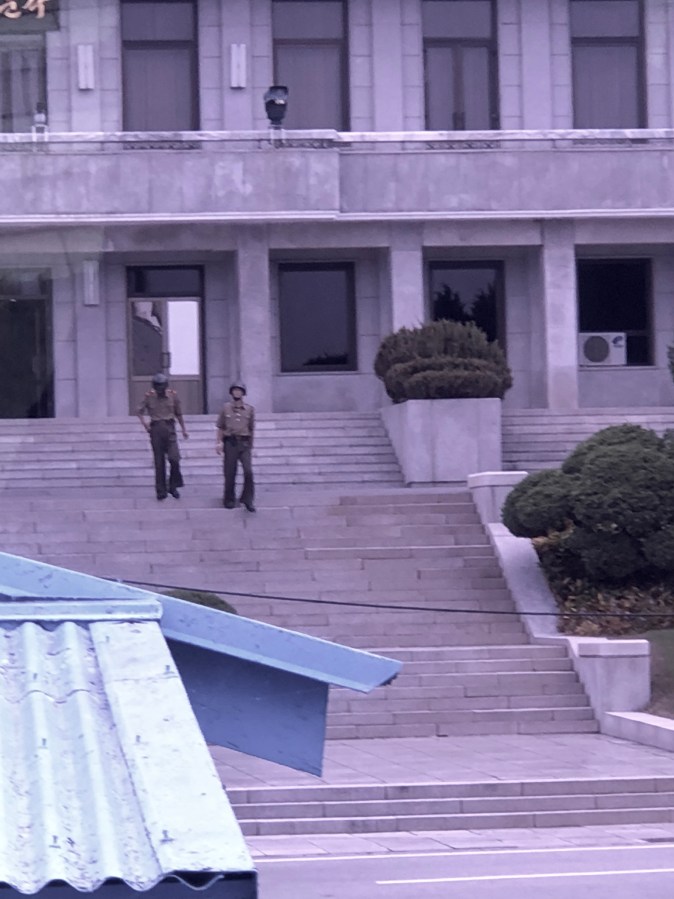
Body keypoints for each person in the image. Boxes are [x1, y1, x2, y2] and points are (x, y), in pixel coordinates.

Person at [137, 373, 189, 500]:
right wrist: (145, 424)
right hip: (156, 429)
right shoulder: (149, 397)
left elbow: (179, 413)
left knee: (174, 458)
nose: (160, 390)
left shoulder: (172, 396)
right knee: (159, 461)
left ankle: (173, 485)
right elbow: (139, 411)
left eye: (162, 386)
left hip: (170, 428)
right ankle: (161, 490)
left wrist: (183, 429)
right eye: (157, 387)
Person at [216, 382, 255, 511]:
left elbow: (251, 428)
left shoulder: (249, 409)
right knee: (230, 472)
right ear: (231, 392)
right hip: (230, 442)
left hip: (244, 443)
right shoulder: (225, 408)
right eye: (235, 390)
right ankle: (229, 499)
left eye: (239, 390)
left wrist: (251, 445)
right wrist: (219, 442)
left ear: (243, 393)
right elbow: (221, 427)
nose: (237, 393)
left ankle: (248, 499)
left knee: (248, 471)